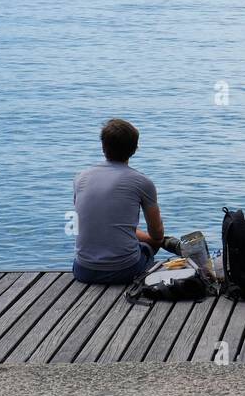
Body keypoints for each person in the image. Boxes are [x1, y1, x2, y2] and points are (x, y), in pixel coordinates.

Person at [72, 119, 180, 284]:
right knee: (151, 245)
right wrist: (158, 241)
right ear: (134, 150)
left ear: (103, 147)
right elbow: (156, 233)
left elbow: (98, 221)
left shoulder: (81, 178)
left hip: (83, 270)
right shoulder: (142, 182)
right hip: (125, 270)